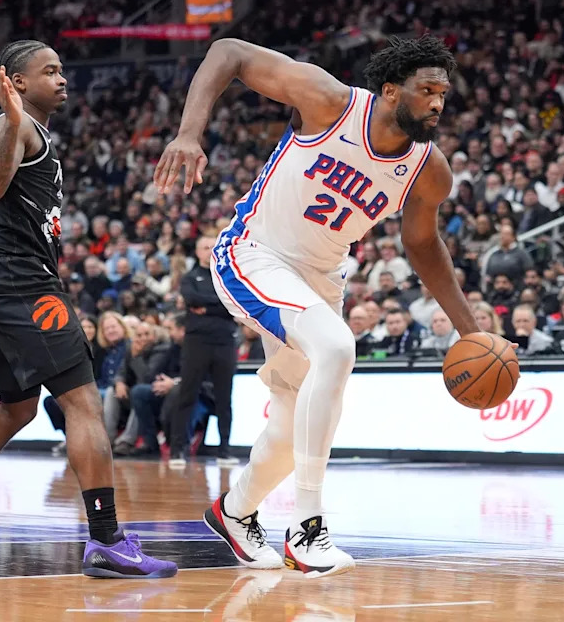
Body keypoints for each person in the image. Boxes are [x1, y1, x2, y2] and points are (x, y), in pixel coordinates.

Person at [154, 35, 484, 577]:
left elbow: (423, 245)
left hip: (319, 280)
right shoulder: (330, 102)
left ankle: (233, 511)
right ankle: (307, 530)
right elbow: (227, 52)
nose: (438, 104)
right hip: (254, 253)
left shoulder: (429, 169)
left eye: (444, 93)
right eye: (427, 90)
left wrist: (469, 330)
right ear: (391, 89)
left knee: (291, 430)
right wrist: (189, 134)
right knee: (336, 346)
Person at [0, 40, 176, 579]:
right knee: (84, 404)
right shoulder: (12, 126)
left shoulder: (30, 129)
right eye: (50, 71)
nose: (63, 78)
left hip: (4, 276)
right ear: (17, 81)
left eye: (63, 69)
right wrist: (11, 118)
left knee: (19, 408)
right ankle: (106, 540)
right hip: (19, 279)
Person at [168, 235, 237, 468]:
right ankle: (178, 450)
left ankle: (224, 450)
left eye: (213, 247)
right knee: (187, 394)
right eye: (205, 247)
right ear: (197, 252)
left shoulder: (228, 277)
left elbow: (233, 303)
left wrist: (206, 307)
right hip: (197, 343)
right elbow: (191, 297)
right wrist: (219, 306)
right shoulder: (190, 278)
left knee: (224, 398)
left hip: (225, 342)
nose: (210, 251)